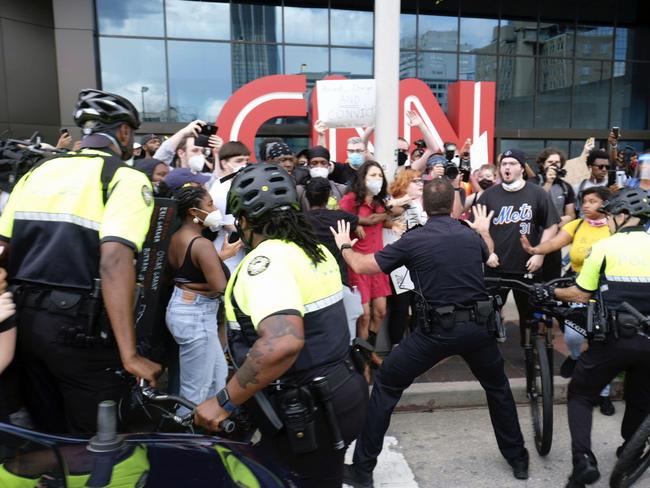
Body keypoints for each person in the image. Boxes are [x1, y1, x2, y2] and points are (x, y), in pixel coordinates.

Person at [332, 179, 529, 487]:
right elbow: (488, 252)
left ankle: (362, 470)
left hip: (435, 333)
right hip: (478, 330)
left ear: (424, 206)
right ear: (453, 203)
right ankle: (518, 458)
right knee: (498, 388)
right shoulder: (468, 234)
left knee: (386, 383)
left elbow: (363, 265)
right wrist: (483, 229)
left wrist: (344, 244)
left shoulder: (415, 239)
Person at [194, 163, 368, 487]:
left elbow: (282, 343)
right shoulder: (313, 250)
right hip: (342, 391)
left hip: (308, 408)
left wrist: (224, 400)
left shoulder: (266, 262)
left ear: (244, 222)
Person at [0, 89, 161, 433]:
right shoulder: (125, 178)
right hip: (79, 333)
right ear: (123, 133)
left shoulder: (36, 172)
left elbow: (2, 251)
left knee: (44, 435)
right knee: (100, 444)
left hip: (23, 327)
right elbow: (114, 261)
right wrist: (129, 354)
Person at [543, 188, 650, 488]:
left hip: (614, 339)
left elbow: (580, 292)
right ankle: (631, 451)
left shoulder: (605, 247)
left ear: (623, 215)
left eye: (612, 215)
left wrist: (551, 291)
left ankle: (583, 461)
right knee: (640, 395)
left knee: (581, 393)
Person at [520, 186, 616, 416]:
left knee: (604, 342)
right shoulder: (578, 225)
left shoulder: (615, 228)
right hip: (579, 286)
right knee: (574, 336)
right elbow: (554, 243)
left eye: (593, 201)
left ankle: (604, 394)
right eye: (585, 200)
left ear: (604, 204)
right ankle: (576, 358)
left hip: (607, 289)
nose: (586, 205)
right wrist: (535, 249)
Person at [477, 148, 559, 344]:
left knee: (530, 316)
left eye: (512, 164)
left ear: (521, 168)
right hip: (495, 267)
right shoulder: (488, 196)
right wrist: (487, 253)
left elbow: (551, 225)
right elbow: (476, 229)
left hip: (527, 266)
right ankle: (488, 354)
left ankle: (530, 354)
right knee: (487, 315)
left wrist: (540, 254)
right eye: (503, 164)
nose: (506, 167)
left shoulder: (537, 193)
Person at [166, 186, 228, 413]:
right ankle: (185, 437)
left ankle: (209, 432)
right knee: (195, 391)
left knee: (217, 378)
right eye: (210, 205)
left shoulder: (176, 237)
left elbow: (185, 275)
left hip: (185, 308)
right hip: (196, 316)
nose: (215, 209)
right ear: (194, 212)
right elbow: (220, 286)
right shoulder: (201, 244)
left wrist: (220, 257)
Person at [339, 161, 394, 357]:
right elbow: (340, 219)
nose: (377, 179)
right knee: (364, 315)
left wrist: (391, 223)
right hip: (357, 265)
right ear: (363, 178)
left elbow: (390, 217)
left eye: (379, 176)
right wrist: (355, 223)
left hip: (378, 263)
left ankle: (368, 351)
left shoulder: (381, 203)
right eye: (372, 175)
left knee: (380, 312)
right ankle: (361, 359)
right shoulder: (350, 200)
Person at [304, 177, 362, 342]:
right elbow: (366, 220)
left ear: (306, 196)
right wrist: (357, 225)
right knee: (347, 334)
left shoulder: (300, 221)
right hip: (339, 283)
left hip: (311, 287)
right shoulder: (340, 218)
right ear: (329, 195)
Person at [384, 169, 426, 344]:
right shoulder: (395, 201)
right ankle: (396, 346)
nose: (420, 183)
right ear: (404, 183)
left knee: (418, 306)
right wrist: (406, 199)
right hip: (397, 265)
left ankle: (416, 345)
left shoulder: (417, 204)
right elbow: (390, 208)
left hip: (416, 263)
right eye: (415, 181)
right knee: (400, 308)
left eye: (421, 180)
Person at [535, 147, 577, 281]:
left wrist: (555, 221)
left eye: (557, 162)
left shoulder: (566, 187)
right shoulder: (533, 182)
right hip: (535, 238)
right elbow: (535, 204)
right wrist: (548, 182)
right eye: (550, 162)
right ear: (543, 164)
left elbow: (571, 215)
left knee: (552, 279)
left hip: (555, 241)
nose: (554, 165)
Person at [296, 145, 347, 211]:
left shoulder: (340, 190)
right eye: (314, 163)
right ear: (308, 166)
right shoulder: (300, 191)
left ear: (329, 166)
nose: (319, 166)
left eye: (323, 163)